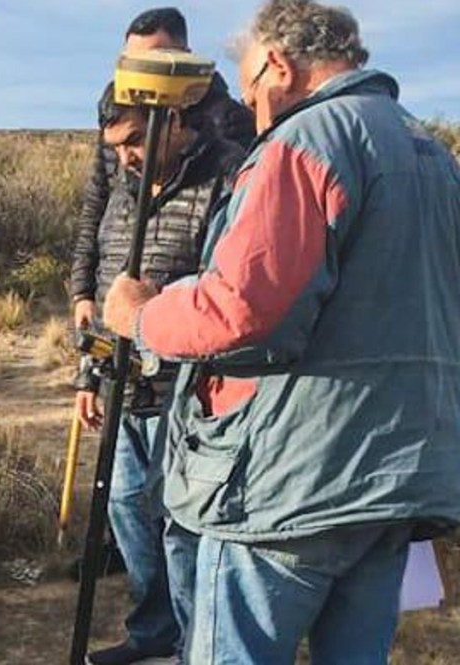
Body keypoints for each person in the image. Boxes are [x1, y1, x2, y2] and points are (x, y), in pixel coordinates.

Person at [103, 1, 460, 663]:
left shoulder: (309, 143)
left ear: (277, 64)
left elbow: (242, 314)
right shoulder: (430, 152)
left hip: (290, 486)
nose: (253, 113)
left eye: (250, 92)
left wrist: (141, 317)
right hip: (395, 482)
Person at [69, 8, 251, 665]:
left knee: (181, 522)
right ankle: (153, 635)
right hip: (123, 375)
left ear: (173, 116)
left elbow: (230, 291)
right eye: (114, 149)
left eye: (132, 145)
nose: (123, 160)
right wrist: (88, 371)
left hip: (188, 384)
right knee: (127, 509)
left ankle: (196, 642)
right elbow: (102, 255)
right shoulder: (124, 183)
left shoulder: (229, 171)